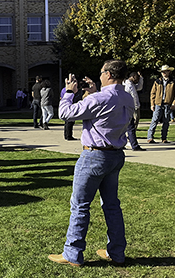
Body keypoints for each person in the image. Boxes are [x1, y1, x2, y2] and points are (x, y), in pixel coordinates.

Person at [49, 60, 134, 267]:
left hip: (94, 156)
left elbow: (65, 114)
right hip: (115, 155)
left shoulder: (100, 98)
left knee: (79, 205)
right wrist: (95, 91)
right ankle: (116, 252)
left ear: (108, 74)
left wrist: (69, 91)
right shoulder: (127, 97)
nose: (99, 75)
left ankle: (73, 252)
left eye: (101, 72)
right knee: (112, 205)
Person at [146, 65, 175, 144]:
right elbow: (152, 93)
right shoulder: (157, 81)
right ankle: (150, 137)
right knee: (155, 120)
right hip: (158, 103)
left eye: (166, 71)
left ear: (169, 72)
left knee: (166, 121)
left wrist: (173, 103)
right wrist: (152, 104)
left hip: (167, 103)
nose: (164, 73)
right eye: (163, 72)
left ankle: (164, 138)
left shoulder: (172, 82)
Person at [123, 72, 145, 151]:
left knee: (126, 127)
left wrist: (141, 78)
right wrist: (135, 106)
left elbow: (139, 87)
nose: (137, 79)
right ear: (132, 76)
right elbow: (133, 96)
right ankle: (134, 145)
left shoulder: (131, 84)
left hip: (129, 107)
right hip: (130, 108)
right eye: (137, 77)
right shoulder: (128, 85)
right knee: (131, 127)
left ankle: (122, 143)